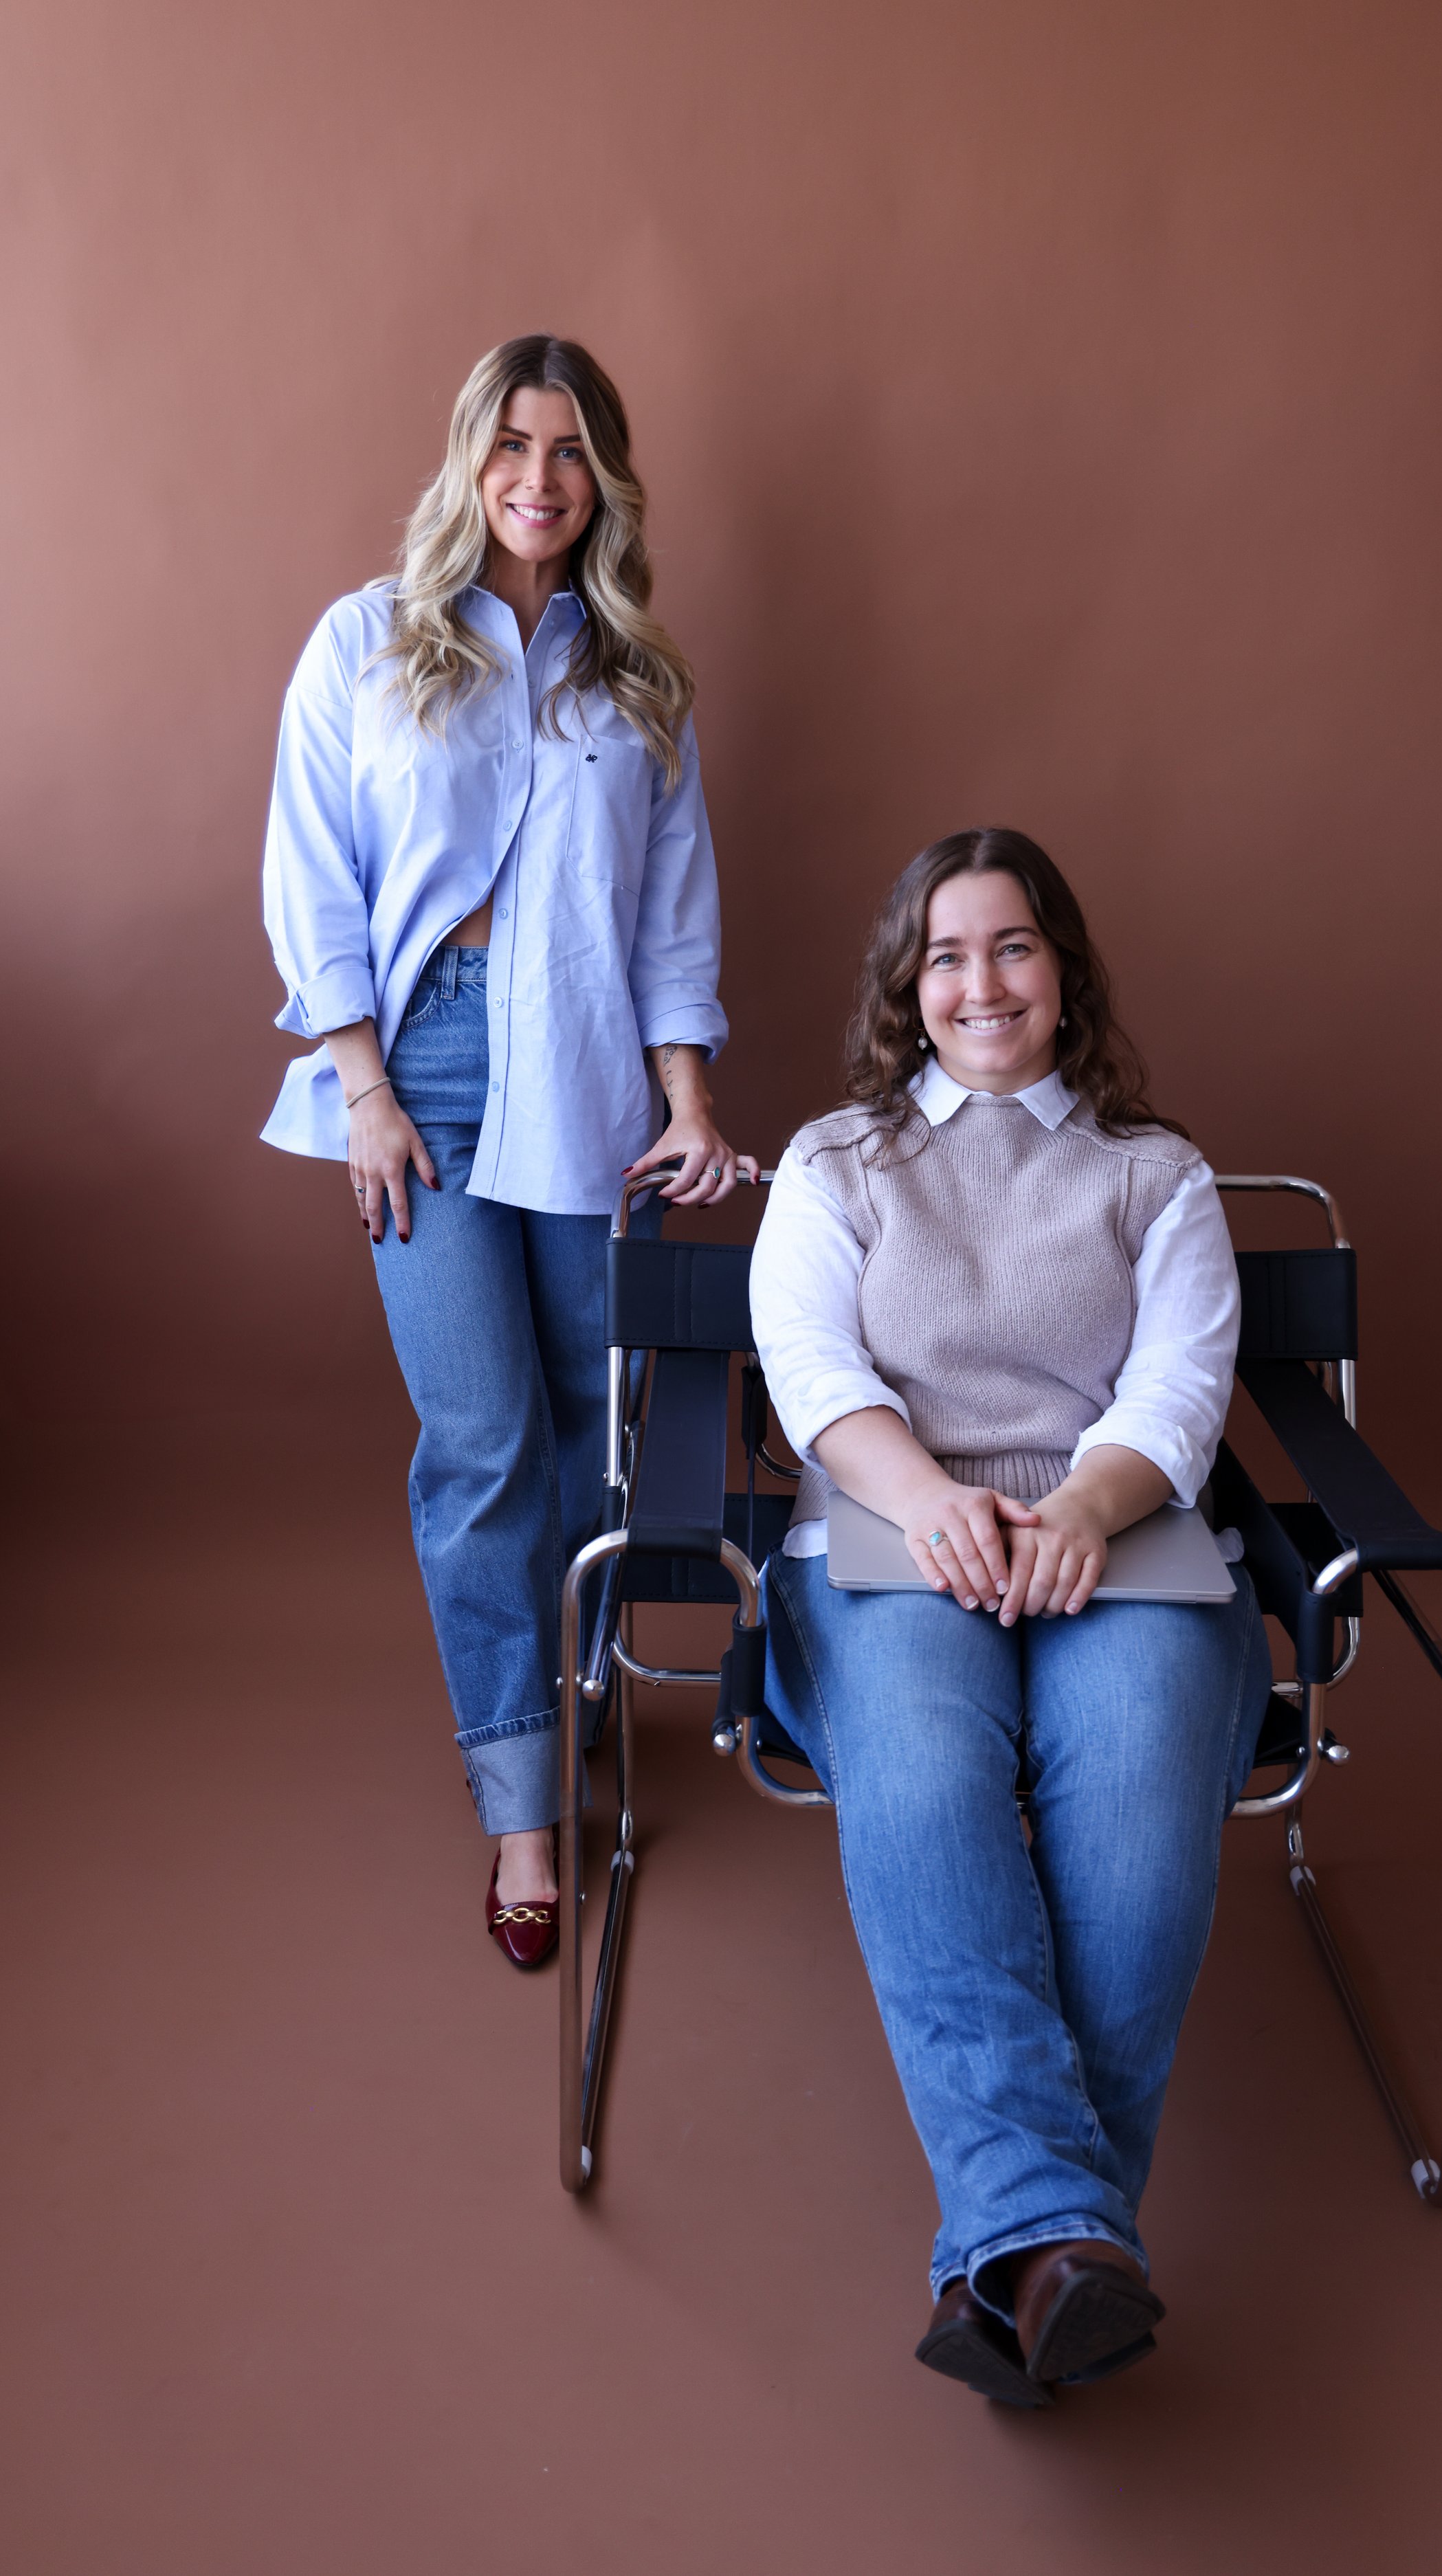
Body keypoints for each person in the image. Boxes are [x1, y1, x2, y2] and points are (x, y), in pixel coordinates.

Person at [748, 828, 1269, 2405]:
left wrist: (1075, 1514)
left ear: (1064, 973)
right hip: (893, 1528)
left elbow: (1179, 1387)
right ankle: (1062, 2244)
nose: (982, 981)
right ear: (911, 986)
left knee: (1129, 1803)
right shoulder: (835, 1163)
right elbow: (814, 1373)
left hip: (1114, 1531)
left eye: (1014, 946)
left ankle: (1023, 2248)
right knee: (920, 1781)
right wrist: (932, 1502)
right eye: (949, 952)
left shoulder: (1152, 1173)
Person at [261, 334, 753, 1969]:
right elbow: (311, 876)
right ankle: (523, 1810)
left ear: (604, 479)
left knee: (587, 1439)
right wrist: (361, 1088)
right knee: (478, 1443)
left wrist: (687, 1101)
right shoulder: (365, 641)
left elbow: (674, 921)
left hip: (589, 1084)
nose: (537, 479)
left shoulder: (637, 680)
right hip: (421, 1069)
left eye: (569, 452)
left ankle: (580, 1690)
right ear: (467, 462)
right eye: (510, 446)